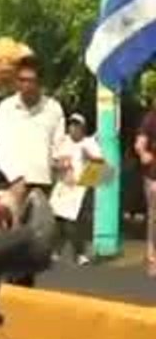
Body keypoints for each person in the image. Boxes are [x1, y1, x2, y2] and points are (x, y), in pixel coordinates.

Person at [0, 56, 64, 285]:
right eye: (21, 80)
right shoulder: (6, 108)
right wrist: (9, 178)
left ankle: (25, 284)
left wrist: (62, 164)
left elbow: (59, 145)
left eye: (31, 80)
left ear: (40, 83)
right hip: (9, 180)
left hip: (40, 181)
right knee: (8, 234)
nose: (26, 85)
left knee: (35, 238)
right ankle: (4, 282)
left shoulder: (53, 109)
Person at [52, 114, 104, 266]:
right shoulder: (63, 142)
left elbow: (99, 164)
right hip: (62, 187)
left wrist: (86, 181)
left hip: (79, 191)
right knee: (58, 221)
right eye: (71, 125)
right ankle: (56, 251)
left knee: (72, 223)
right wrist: (60, 167)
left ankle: (79, 254)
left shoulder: (89, 143)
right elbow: (54, 161)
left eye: (77, 125)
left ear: (83, 128)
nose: (73, 128)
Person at [136, 88, 156, 279]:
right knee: (154, 217)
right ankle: (152, 258)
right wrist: (143, 154)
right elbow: (140, 143)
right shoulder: (151, 118)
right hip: (153, 175)